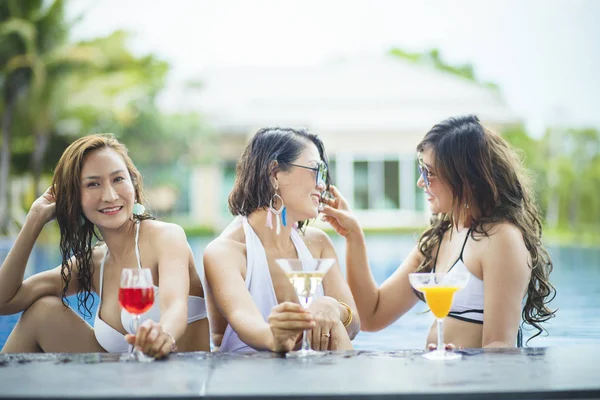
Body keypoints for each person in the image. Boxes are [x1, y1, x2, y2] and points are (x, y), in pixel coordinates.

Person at [320, 115, 556, 348]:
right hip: (441, 379)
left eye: (429, 173)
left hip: (474, 382)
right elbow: (373, 314)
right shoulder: (439, 238)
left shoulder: (501, 238)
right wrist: (353, 236)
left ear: (467, 178)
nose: (421, 182)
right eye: (422, 171)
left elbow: (499, 346)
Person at [0, 134, 210, 358]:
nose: (110, 196)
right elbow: (6, 300)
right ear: (74, 198)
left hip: (178, 382)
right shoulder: (93, 263)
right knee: (41, 312)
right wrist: (34, 219)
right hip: (122, 383)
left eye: (118, 179)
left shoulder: (165, 237)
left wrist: (162, 334)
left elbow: (175, 306)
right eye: (93, 184)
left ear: (133, 183)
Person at [203, 127, 359, 353]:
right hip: (248, 377)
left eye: (324, 174)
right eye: (315, 170)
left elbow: (354, 326)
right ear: (275, 173)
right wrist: (276, 336)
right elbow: (244, 319)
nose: (322, 184)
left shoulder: (318, 244)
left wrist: (332, 307)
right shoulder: (226, 252)